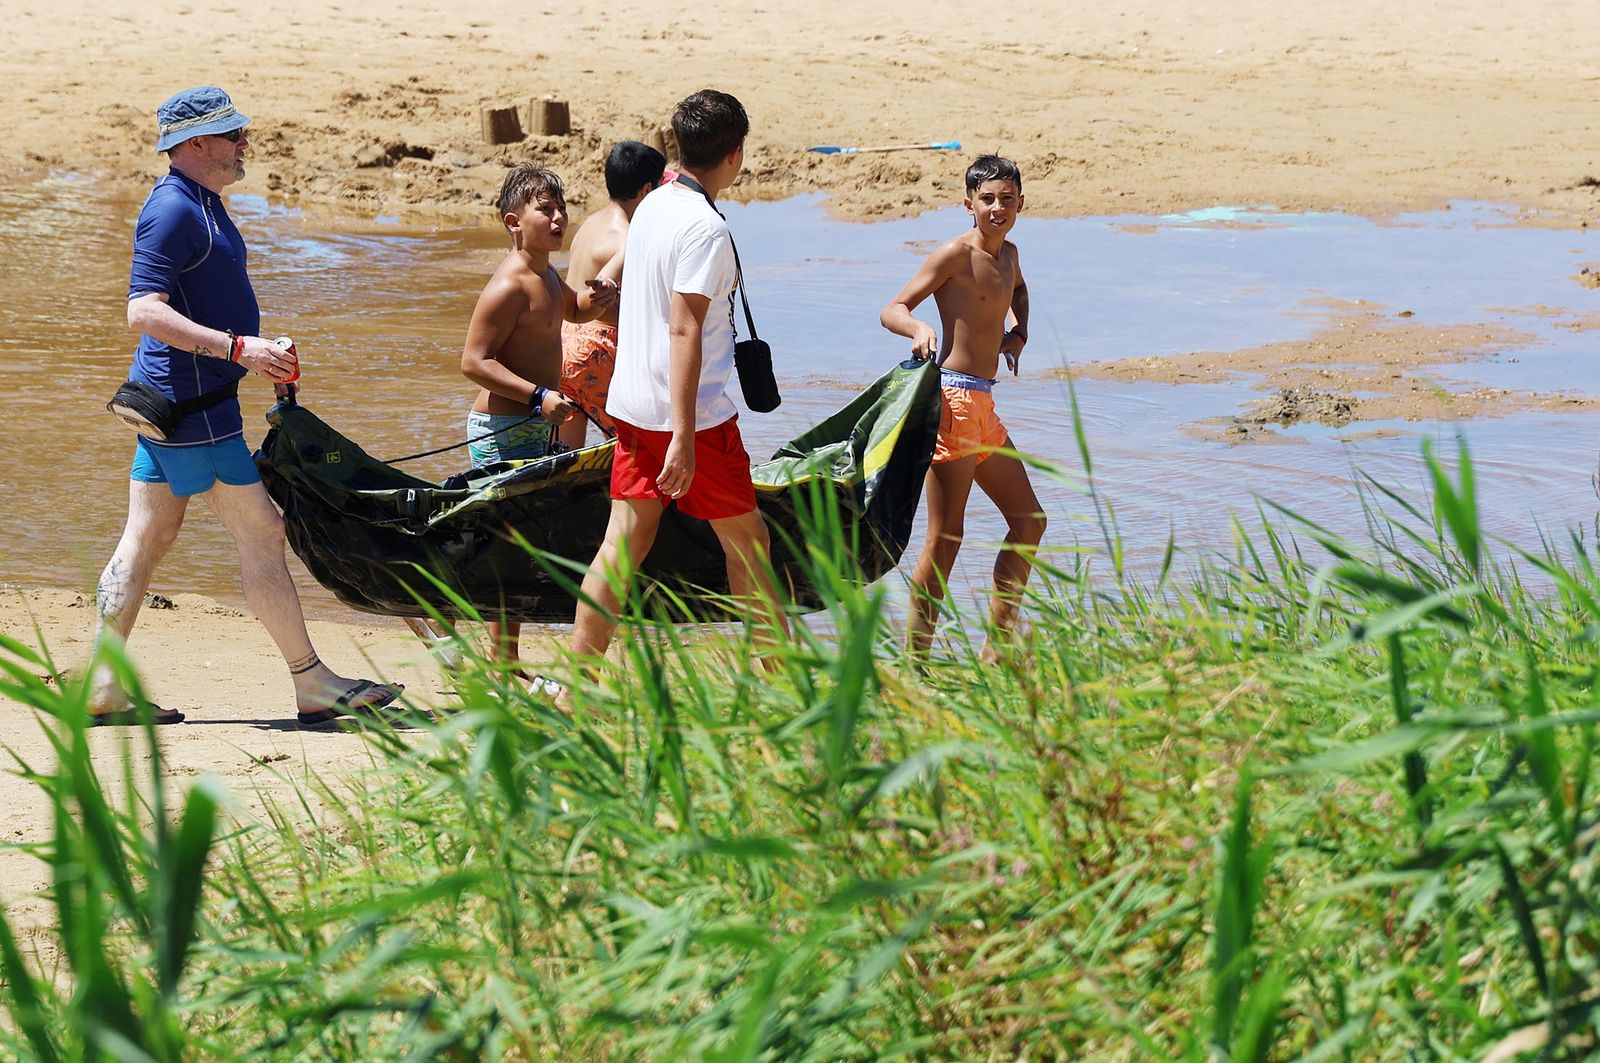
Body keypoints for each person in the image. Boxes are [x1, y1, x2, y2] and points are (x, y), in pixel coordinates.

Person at [92, 86, 403, 729]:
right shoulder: (174, 210)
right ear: (196, 144)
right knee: (262, 532)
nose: (244, 145)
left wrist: (256, 352)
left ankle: (101, 685)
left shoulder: (200, 203)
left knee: (147, 537)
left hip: (182, 406)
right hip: (195, 412)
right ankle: (311, 682)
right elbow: (142, 311)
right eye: (232, 136)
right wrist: (240, 349)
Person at [569, 89, 788, 667]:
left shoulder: (652, 206)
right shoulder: (705, 227)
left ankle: (573, 687)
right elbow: (685, 330)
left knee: (619, 550)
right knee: (750, 548)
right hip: (691, 418)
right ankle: (786, 689)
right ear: (736, 156)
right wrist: (687, 437)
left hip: (632, 406)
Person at [879, 154, 1047, 661]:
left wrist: (1020, 333)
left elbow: (1017, 288)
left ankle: (996, 649)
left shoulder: (1011, 254)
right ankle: (917, 660)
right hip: (951, 402)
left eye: (1007, 198)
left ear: (1021, 203)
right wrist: (919, 329)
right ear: (968, 202)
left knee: (1030, 521)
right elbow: (893, 308)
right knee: (946, 537)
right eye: (988, 199)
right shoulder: (954, 253)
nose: (998, 207)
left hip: (985, 408)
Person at [456, 162, 618, 668]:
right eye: (543, 210)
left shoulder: (546, 273)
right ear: (513, 221)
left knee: (520, 542)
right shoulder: (510, 285)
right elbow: (472, 362)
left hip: (531, 426)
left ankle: (503, 655)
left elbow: (572, 309)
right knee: (508, 548)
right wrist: (536, 398)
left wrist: (601, 299)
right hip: (502, 431)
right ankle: (502, 662)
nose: (558, 219)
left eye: (561, 209)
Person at [557, 140, 669, 451]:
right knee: (638, 447)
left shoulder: (591, 223)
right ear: (647, 190)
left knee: (567, 457)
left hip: (565, 345)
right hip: (599, 350)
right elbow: (605, 286)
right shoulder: (628, 235)